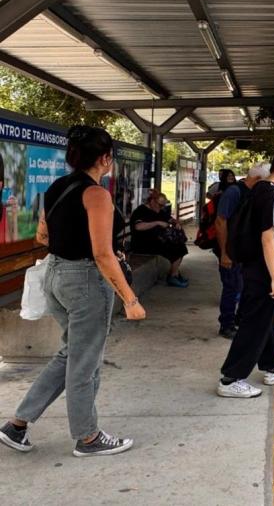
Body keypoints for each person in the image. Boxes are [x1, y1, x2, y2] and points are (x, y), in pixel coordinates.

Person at [0, 125, 146, 458]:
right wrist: (130, 299)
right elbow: (102, 254)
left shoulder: (56, 188)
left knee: (72, 354)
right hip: (85, 282)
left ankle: (17, 424)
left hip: (55, 275)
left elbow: (42, 237)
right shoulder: (97, 195)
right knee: (84, 362)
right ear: (105, 158)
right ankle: (87, 437)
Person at [217, 148, 274, 398]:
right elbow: (268, 238)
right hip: (262, 272)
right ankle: (230, 378)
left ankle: (272, 366)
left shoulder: (258, 188)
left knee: (270, 319)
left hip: (254, 267)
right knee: (254, 324)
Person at [214, 163, 269, 339]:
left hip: (244, 251)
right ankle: (227, 324)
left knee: (242, 287)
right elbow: (220, 222)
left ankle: (237, 320)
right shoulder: (234, 192)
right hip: (231, 251)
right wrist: (225, 252)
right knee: (232, 287)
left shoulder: (252, 193)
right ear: (258, 179)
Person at [130, 190, 189, 288]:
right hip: (143, 243)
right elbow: (138, 227)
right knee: (177, 249)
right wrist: (157, 223)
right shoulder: (140, 211)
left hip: (156, 240)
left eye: (163, 206)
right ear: (152, 201)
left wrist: (175, 222)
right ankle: (173, 276)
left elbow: (169, 218)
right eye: (160, 205)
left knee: (180, 246)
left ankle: (175, 274)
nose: (161, 208)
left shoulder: (159, 211)